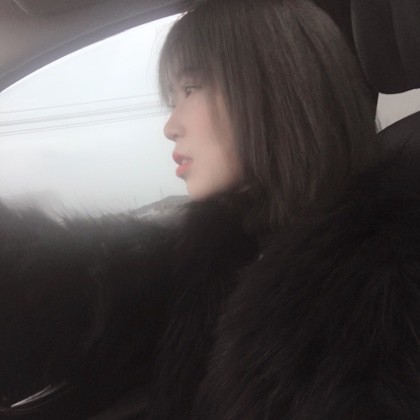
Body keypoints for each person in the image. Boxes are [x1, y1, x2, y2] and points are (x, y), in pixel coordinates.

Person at [0, 0, 419, 418]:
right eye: (172, 100)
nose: (170, 126)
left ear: (271, 86)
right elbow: (85, 299)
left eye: (190, 89)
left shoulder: (390, 285)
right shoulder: (221, 250)